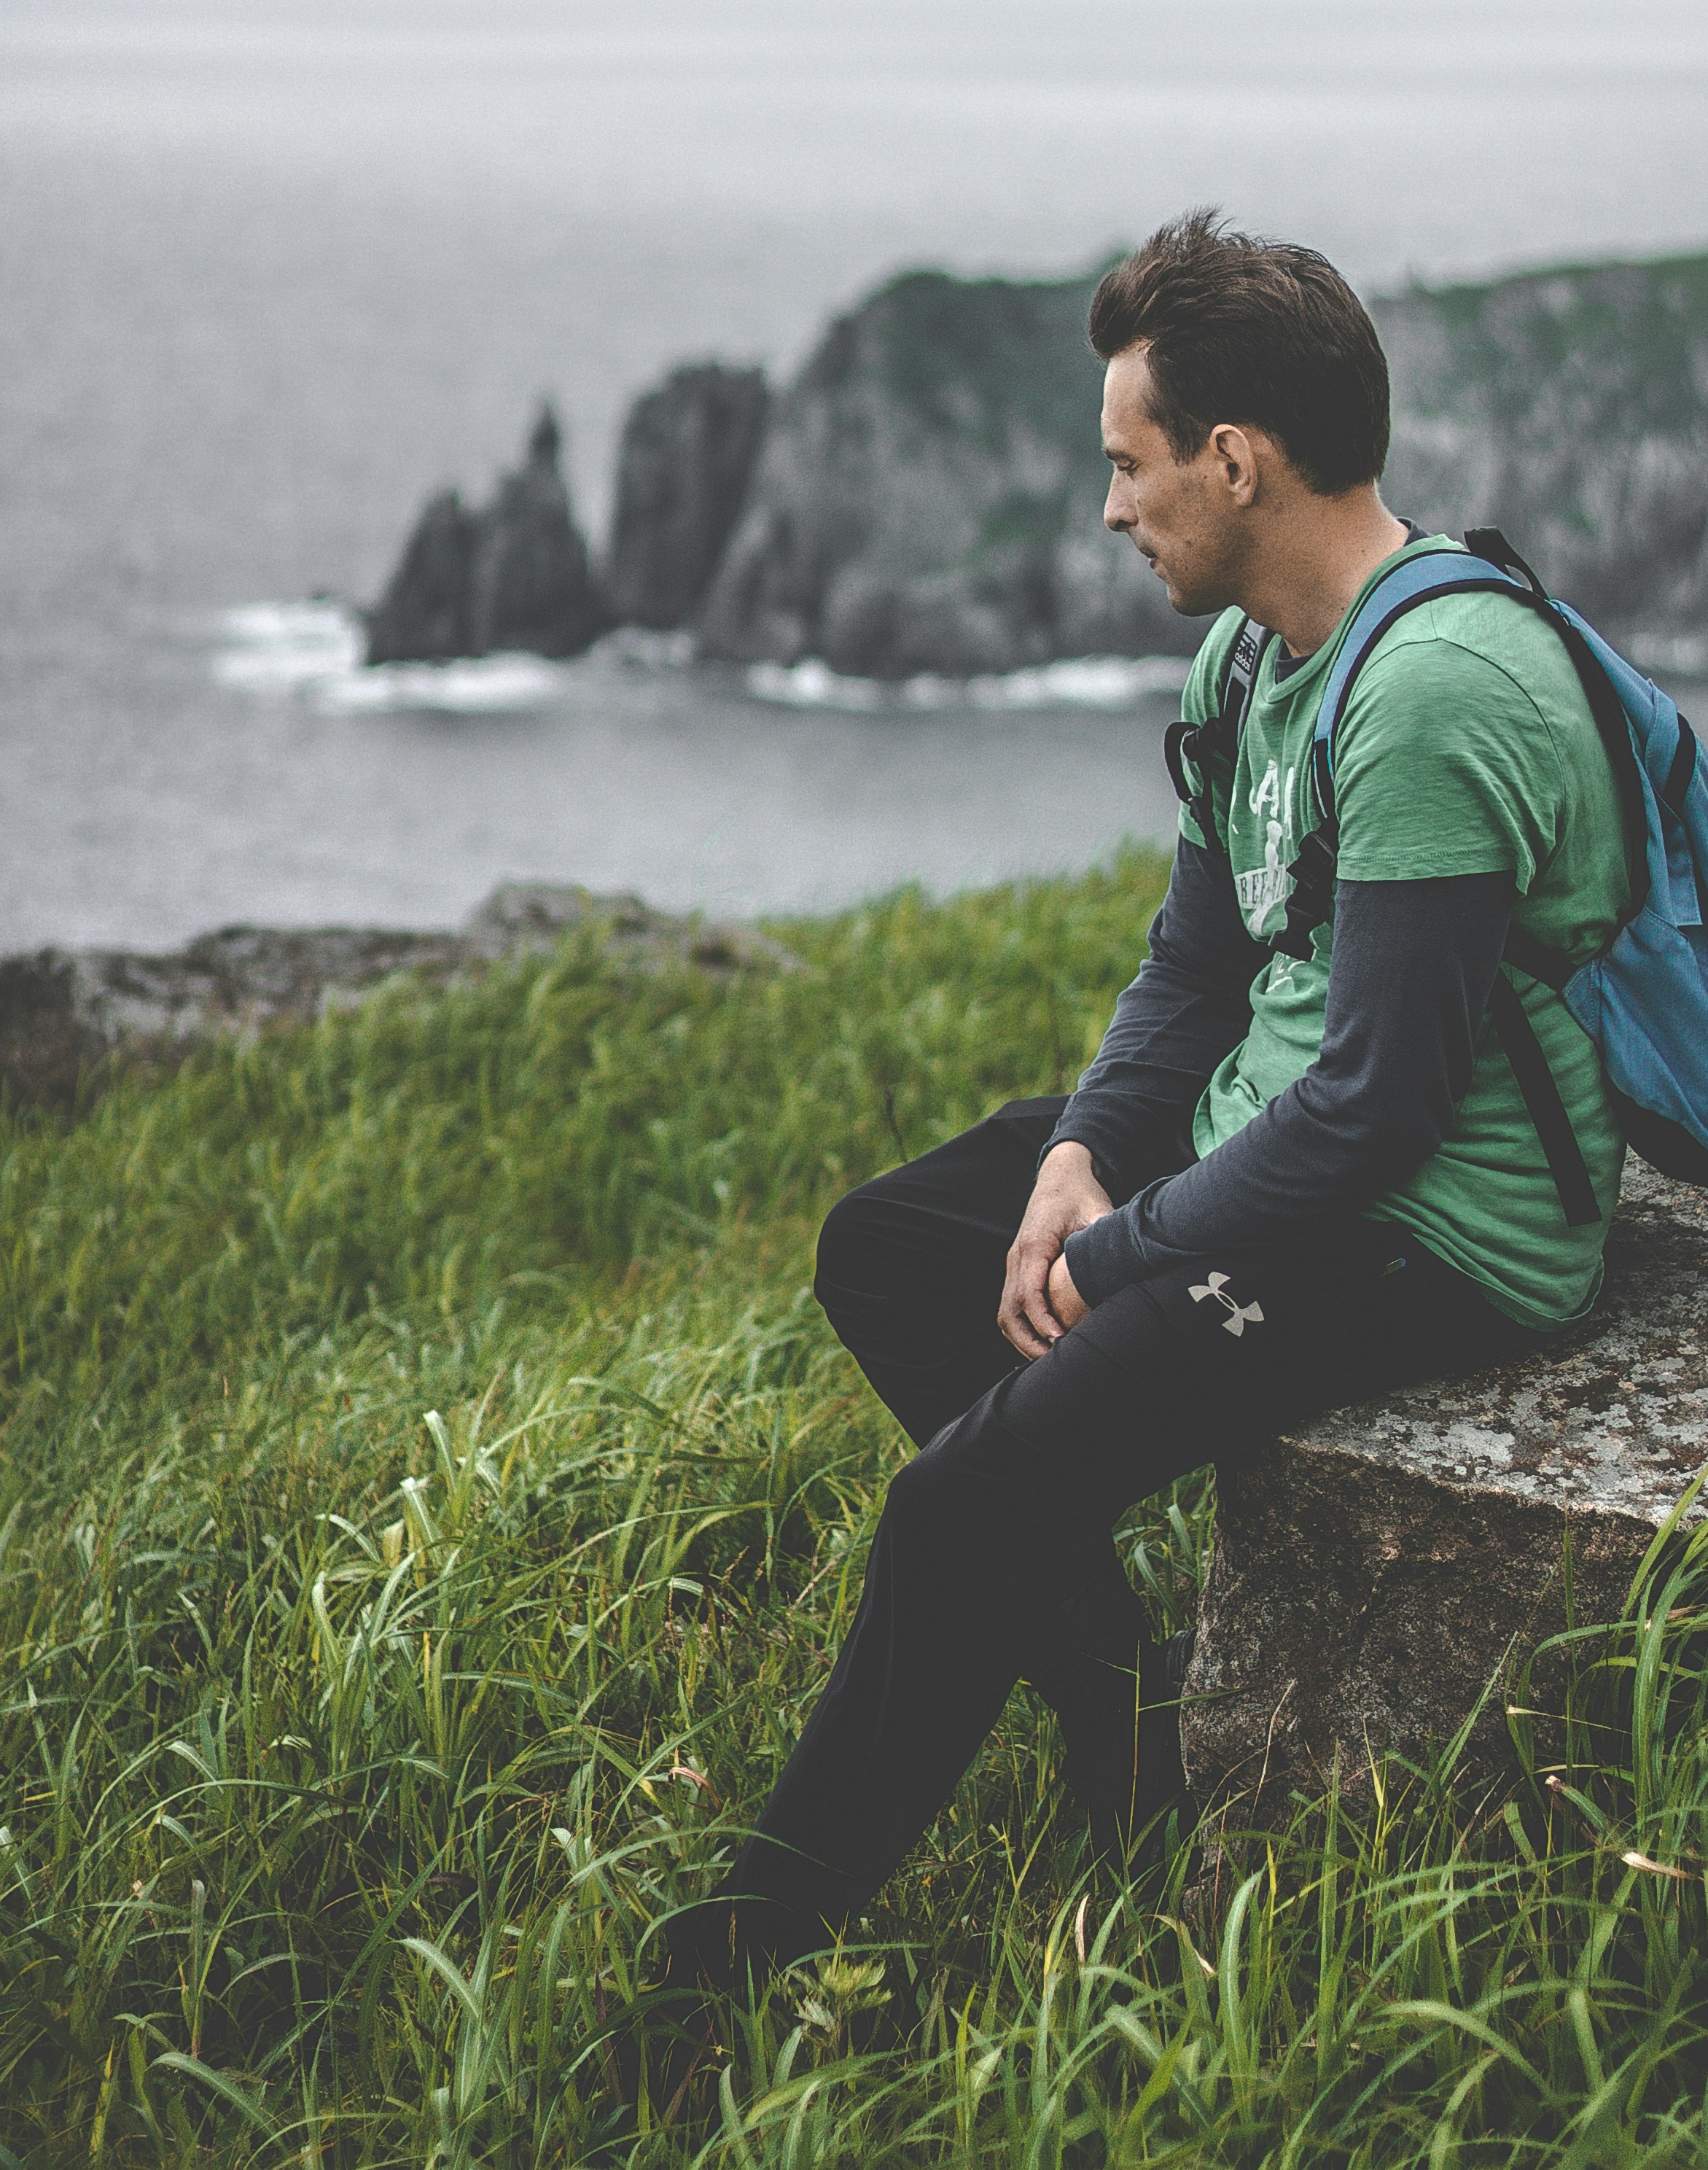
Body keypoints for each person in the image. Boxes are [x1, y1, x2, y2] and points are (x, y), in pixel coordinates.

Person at [655, 207, 1631, 2002]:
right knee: (891, 1247)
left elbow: (1381, 1113)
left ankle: (714, 1975)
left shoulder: (1425, 694)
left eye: (1130, 463)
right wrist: (1078, 1160)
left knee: (954, 1514)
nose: (1111, 508)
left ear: (1233, 460)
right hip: (1296, 1136)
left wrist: (1124, 1254)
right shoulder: (1252, 659)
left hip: (1441, 1231)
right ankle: (1137, 1732)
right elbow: (1191, 972)